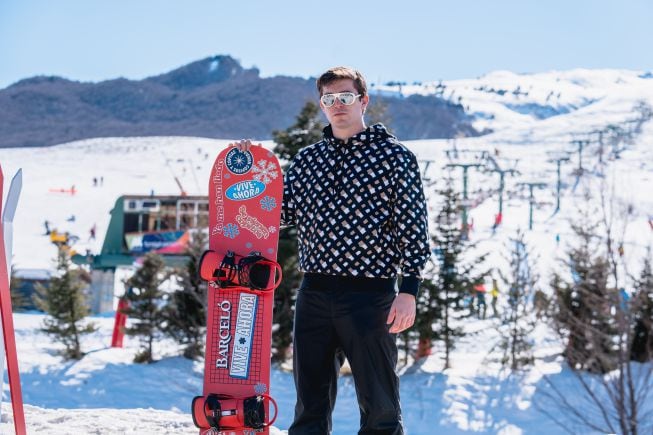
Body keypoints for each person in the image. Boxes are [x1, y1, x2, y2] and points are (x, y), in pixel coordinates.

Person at [233, 66, 430, 434]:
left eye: (345, 97)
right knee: (309, 405)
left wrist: (409, 291)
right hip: (315, 294)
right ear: (322, 105)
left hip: (370, 295)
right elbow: (279, 212)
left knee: (381, 409)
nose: (337, 105)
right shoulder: (309, 160)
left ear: (363, 101)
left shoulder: (394, 157)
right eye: (329, 99)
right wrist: (248, 170)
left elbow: (413, 228)